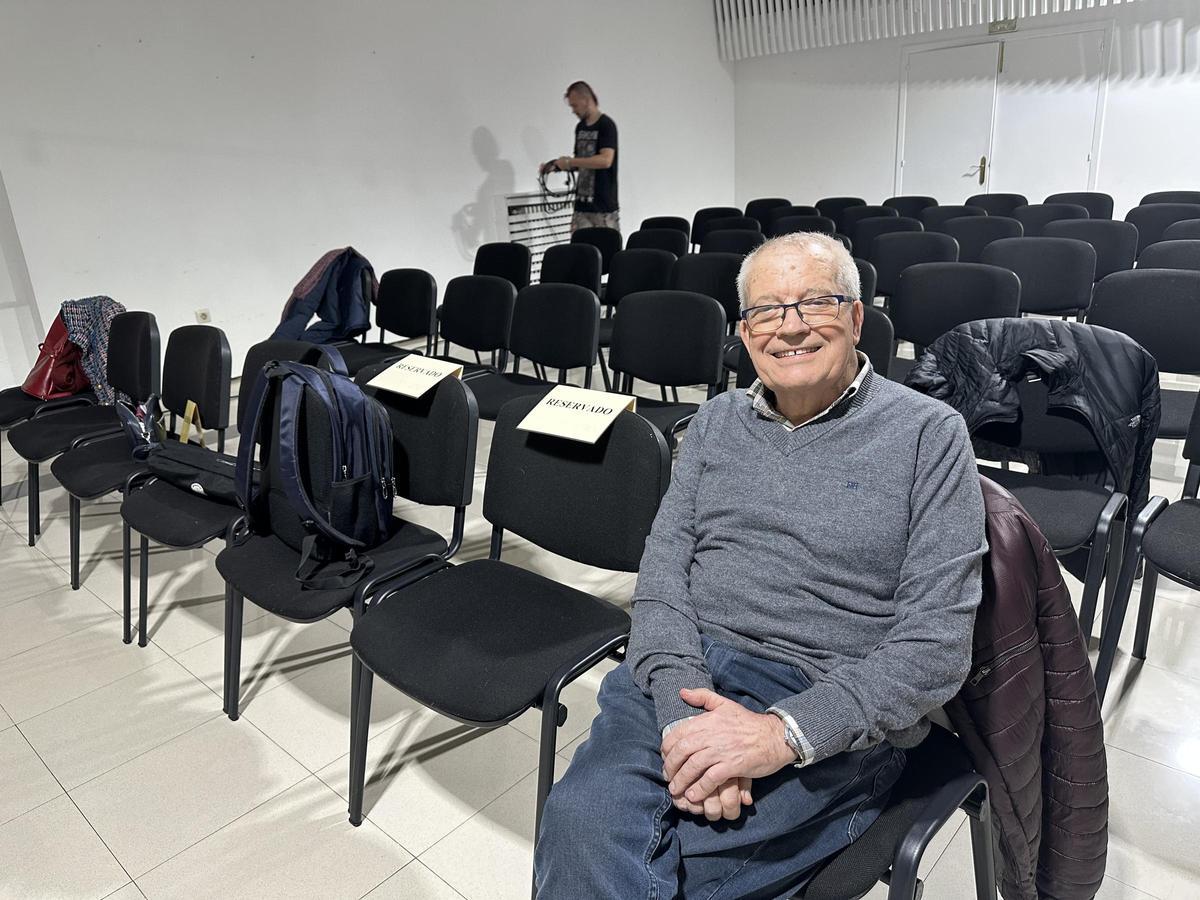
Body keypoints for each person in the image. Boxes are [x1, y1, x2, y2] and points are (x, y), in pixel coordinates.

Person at [533, 232, 988, 898]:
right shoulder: (715, 422)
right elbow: (662, 580)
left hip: (826, 696)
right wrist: (685, 717)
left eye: (815, 303)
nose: (791, 326)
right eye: (767, 311)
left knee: (650, 867)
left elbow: (935, 650)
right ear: (744, 333)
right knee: (582, 823)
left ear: (857, 317)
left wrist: (779, 735)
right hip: (685, 674)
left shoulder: (929, 433)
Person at [540, 80, 619, 233]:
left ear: (586, 100)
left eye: (575, 105)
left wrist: (569, 162)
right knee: (580, 254)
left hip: (603, 207)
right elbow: (583, 162)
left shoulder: (606, 125)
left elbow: (605, 160)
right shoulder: (580, 127)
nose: (573, 110)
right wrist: (556, 166)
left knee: (607, 253)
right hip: (582, 206)